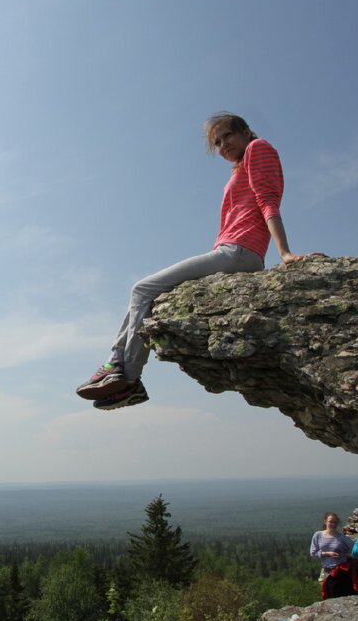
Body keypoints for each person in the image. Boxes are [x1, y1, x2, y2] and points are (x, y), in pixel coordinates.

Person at [75, 111, 319, 410]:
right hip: (233, 250)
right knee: (147, 295)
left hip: (239, 252)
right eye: (217, 142)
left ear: (245, 132)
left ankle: (126, 377)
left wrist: (285, 253)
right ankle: (117, 366)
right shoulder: (239, 167)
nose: (222, 145)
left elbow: (268, 199)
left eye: (227, 135)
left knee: (142, 289)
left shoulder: (259, 148)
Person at [310, 511, 356, 599]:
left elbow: (354, 549)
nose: (333, 524)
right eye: (331, 521)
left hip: (342, 570)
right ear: (325, 521)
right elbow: (313, 553)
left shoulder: (342, 537)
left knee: (346, 596)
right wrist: (327, 554)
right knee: (332, 596)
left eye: (335, 522)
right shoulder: (318, 535)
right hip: (328, 571)